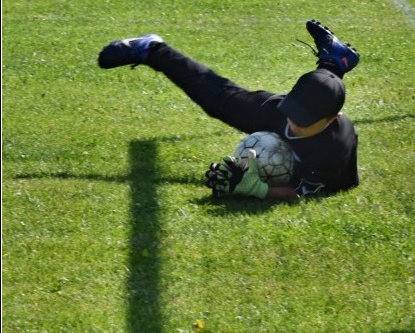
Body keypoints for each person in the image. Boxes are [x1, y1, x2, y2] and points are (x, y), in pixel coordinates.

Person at [97, 20, 360, 202]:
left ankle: (335, 61)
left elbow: (300, 192)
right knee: (218, 99)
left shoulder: (333, 150)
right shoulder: (282, 110)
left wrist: (257, 189)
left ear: (331, 120)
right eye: (294, 111)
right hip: (292, 107)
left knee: (325, 87)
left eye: (305, 121)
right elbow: (312, 95)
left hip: (325, 170)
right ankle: (151, 49)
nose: (294, 123)